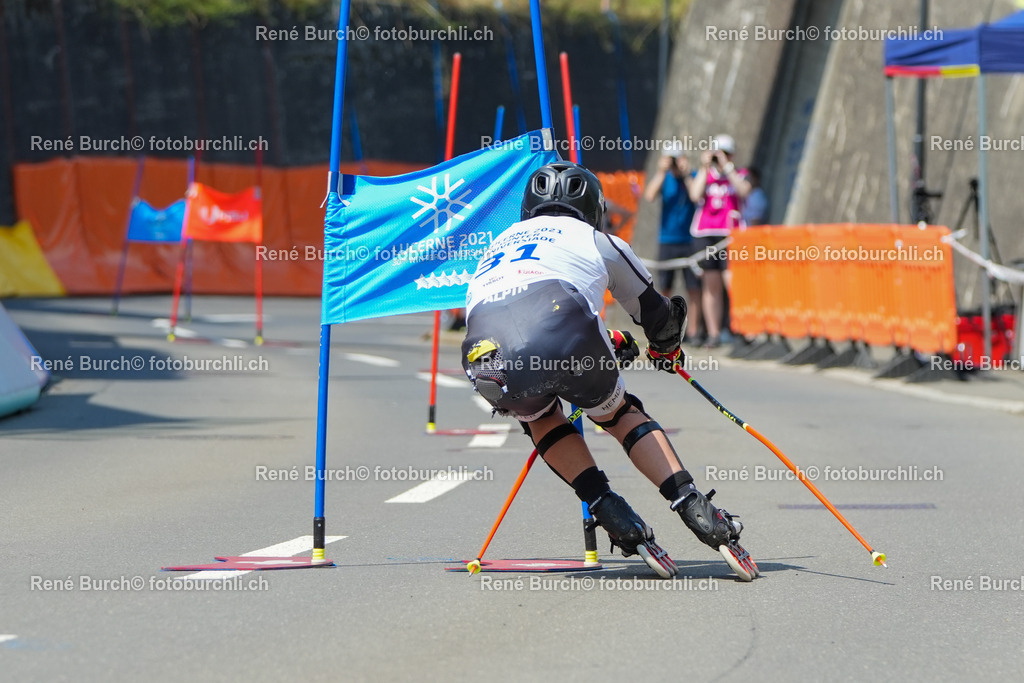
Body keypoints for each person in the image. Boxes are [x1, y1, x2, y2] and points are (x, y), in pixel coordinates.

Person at [460, 161, 758, 581]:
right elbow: (655, 315)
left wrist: (610, 344)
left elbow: (519, 320)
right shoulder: (598, 239)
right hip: (560, 325)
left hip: (484, 352)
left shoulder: (496, 245)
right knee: (617, 414)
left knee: (542, 416)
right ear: (593, 208)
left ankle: (605, 505)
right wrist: (666, 350)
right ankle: (693, 506)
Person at [688, 134, 751, 348]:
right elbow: (695, 195)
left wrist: (727, 167)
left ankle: (741, 329)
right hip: (706, 233)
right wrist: (705, 167)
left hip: (730, 234)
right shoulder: (705, 175)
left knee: (733, 283)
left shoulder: (739, 173)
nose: (720, 157)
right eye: (717, 153)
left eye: (724, 153)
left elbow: (744, 190)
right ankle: (714, 333)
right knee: (710, 285)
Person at [643, 141, 704, 344]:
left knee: (693, 288)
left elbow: (696, 196)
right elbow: (649, 195)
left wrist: (685, 174)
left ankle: (694, 331)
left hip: (689, 240)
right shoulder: (665, 179)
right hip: (667, 240)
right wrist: (662, 171)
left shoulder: (692, 177)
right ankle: (665, 329)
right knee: (664, 288)